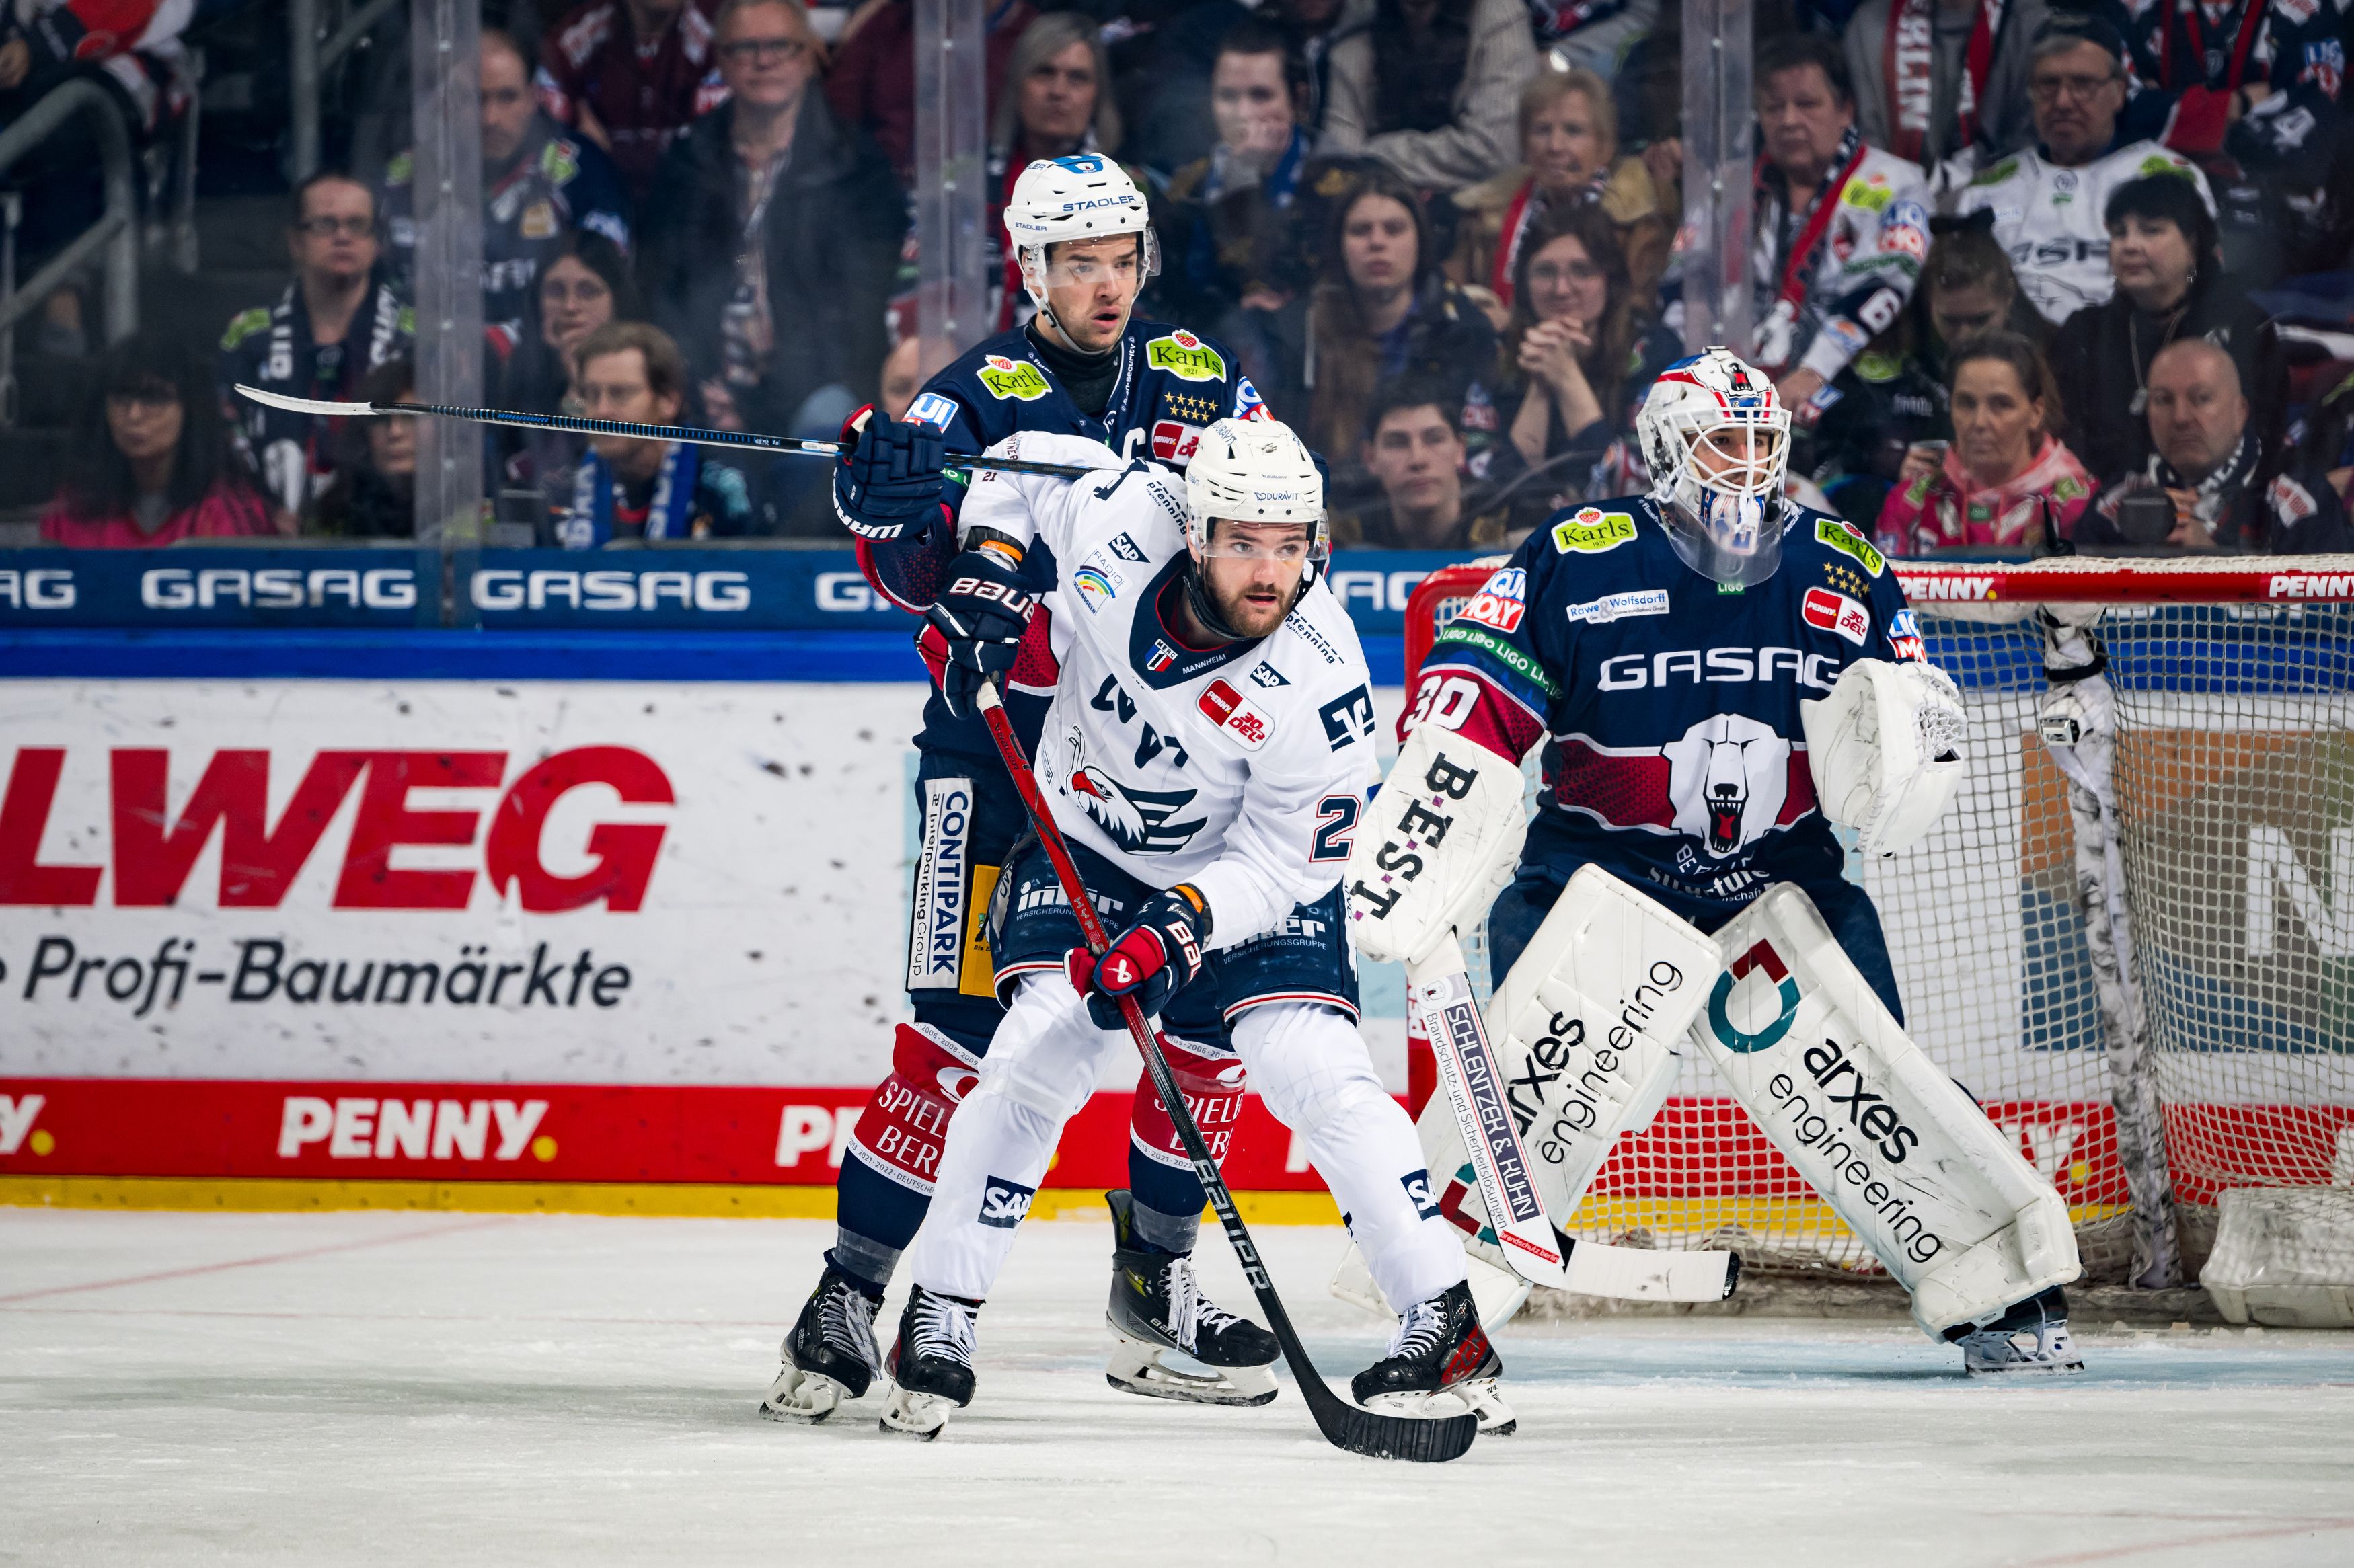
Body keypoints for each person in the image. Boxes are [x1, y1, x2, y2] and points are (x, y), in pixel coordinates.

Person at [1344, 345, 2087, 1375]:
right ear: (1664, 450)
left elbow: (1916, 708)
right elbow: (1476, 694)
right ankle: (1447, 1303)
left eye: (1761, 443)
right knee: (1527, 1111)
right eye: (1720, 442)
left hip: (1786, 884)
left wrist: (1914, 750)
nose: (1745, 466)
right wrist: (1434, 806)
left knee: (1882, 1099)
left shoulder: (1842, 564)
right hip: (1597, 882)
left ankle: (2003, 1294)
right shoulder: (1582, 552)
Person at [765, 156, 1277, 1425]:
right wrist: (887, 517)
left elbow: (1271, 524)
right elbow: (918, 563)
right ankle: (850, 1288)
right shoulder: (975, 395)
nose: (1106, 283)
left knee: (1200, 1031)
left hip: (1155, 769)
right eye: (1078, 261)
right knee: (952, 1035)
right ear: (1031, 269)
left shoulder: (1208, 385)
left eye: (1123, 257)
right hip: (993, 760)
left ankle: (1154, 1286)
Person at [874, 418, 1498, 1439]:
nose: (1271, 572)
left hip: (1242, 883)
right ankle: (938, 1313)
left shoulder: (1322, 678)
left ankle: (1443, 1316)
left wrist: (1183, 929)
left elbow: (1287, 860)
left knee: (1320, 1073)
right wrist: (988, 567)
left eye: (1292, 544)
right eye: (1247, 542)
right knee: (1034, 1055)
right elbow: (1019, 463)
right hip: (1089, 849)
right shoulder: (1121, 517)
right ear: (1196, 534)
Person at [637, 0, 903, 490]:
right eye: (746, 48)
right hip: (710, 388)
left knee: (822, 453)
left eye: (780, 45)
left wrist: (768, 396)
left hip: (817, 385)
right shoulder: (688, 159)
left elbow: (860, 312)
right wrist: (699, 382)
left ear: (809, 55)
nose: (764, 61)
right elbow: (662, 291)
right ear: (720, 59)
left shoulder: (856, 165)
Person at [1946, 16, 2213, 327]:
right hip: (2012, 359)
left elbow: (2201, 277)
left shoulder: (2169, 177)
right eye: (2048, 84)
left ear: (2119, 92)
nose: (2062, 102)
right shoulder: (1988, 190)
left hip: (2134, 353)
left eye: (2083, 84)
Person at [382, 28, 634, 331]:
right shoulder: (405, 176)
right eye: (473, 99)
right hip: (430, 364)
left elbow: (605, 300)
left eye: (507, 97)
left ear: (533, 98)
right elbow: (382, 299)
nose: (491, 119)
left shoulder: (580, 170)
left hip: (544, 362)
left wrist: (503, 346)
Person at [1254, 167, 1500, 475]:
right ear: (1340, 246)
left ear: (1420, 241)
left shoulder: (1462, 329)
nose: (1377, 242)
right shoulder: (1298, 331)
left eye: (1394, 229)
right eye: (1360, 231)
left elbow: (1479, 454)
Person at [2050, 171, 2287, 487]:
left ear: (2193, 245)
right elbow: (2061, 444)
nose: (2130, 245)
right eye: (2120, 233)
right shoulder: (2085, 332)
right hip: (2098, 516)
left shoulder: (2242, 324)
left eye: (2151, 231)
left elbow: (2261, 438)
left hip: (2218, 510)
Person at [1751, 35, 1932, 417]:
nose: (1788, 120)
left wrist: (1813, 371)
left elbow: (1881, 287)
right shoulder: (1736, 185)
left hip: (1847, 384)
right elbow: (1687, 290)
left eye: (1806, 104)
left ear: (1845, 110)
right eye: (1773, 107)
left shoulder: (1897, 183)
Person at [218, 172, 414, 519]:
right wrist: (261, 514)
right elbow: (223, 441)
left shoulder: (417, 334)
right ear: (296, 242)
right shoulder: (248, 335)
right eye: (325, 225)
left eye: (357, 225)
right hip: (266, 537)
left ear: (376, 243)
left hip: (386, 530)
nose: (343, 237)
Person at [1484, 202, 1680, 523]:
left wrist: (1566, 377)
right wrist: (1542, 384)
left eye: (1582, 271)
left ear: (1610, 281)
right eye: (1545, 272)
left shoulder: (1657, 352)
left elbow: (1631, 493)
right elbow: (1498, 498)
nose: (1562, 289)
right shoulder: (1497, 355)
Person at [2076, 338, 2354, 553]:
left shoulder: (2299, 501)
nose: (2181, 418)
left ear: (2240, 413)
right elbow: (2072, 615)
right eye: (2163, 400)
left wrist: (2212, 564)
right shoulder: (2114, 503)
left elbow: (2322, 621)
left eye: (2202, 398)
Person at [1448, 68, 1675, 317]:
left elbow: (1638, 310)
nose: (1555, 146)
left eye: (1573, 131)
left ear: (1605, 146)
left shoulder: (1640, 224)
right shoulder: (1487, 217)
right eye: (1542, 131)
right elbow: (1454, 297)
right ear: (1525, 145)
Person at [44, 334, 282, 548]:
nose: (134, 415)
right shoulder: (75, 509)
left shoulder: (230, 511)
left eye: (155, 398)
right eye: (122, 397)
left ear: (191, 409)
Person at [1154, 18, 1319, 326]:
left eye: (1261, 95)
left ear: (1298, 100)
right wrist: (1241, 173)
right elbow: (1171, 292)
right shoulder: (1188, 188)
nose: (1243, 114)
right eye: (1228, 97)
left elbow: (1277, 285)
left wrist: (1249, 180)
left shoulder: (1334, 180)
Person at [543, 321, 758, 546]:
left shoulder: (723, 494)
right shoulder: (563, 495)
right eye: (591, 394)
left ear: (668, 402)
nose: (602, 410)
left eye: (620, 393)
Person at [1876, 331, 2090, 553]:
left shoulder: (2076, 504)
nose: (1979, 422)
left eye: (2000, 405)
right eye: (1966, 404)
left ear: (2036, 412)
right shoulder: (1912, 501)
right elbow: (1881, 585)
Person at [985, 13, 1129, 334]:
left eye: (1077, 78)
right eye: (1044, 73)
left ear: (1097, 97)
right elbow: (917, 296)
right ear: (1017, 84)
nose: (1058, 91)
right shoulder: (966, 184)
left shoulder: (1129, 193)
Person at [1317, 0, 1538, 191]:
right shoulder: (1357, 34)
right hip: (1380, 212)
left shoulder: (1497, 15)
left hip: (1477, 212)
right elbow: (1340, 165)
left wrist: (1375, 156)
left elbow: (1494, 152)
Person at [823, 0, 1038, 186]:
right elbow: (837, 116)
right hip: (884, 193)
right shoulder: (891, 24)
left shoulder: (1032, 35)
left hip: (996, 197)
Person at [535, 0, 728, 204]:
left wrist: (601, 154)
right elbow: (540, 140)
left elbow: (713, 155)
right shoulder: (580, 33)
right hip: (601, 203)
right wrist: (577, 142)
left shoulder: (717, 34)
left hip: (688, 207)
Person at [1842, 0, 2050, 173]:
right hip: (1894, 204)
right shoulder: (1868, 26)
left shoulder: (2029, 25)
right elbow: (1866, 146)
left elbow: (2027, 147)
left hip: (2003, 203)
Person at [1340, 381, 1510, 547]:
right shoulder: (1341, 527)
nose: (1418, 460)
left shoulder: (1507, 519)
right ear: (1370, 457)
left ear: (1460, 450)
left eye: (1435, 439)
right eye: (1397, 443)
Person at [310, 358, 424, 539]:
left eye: (410, 417)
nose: (395, 432)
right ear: (363, 431)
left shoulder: (470, 513)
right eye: (381, 419)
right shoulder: (332, 516)